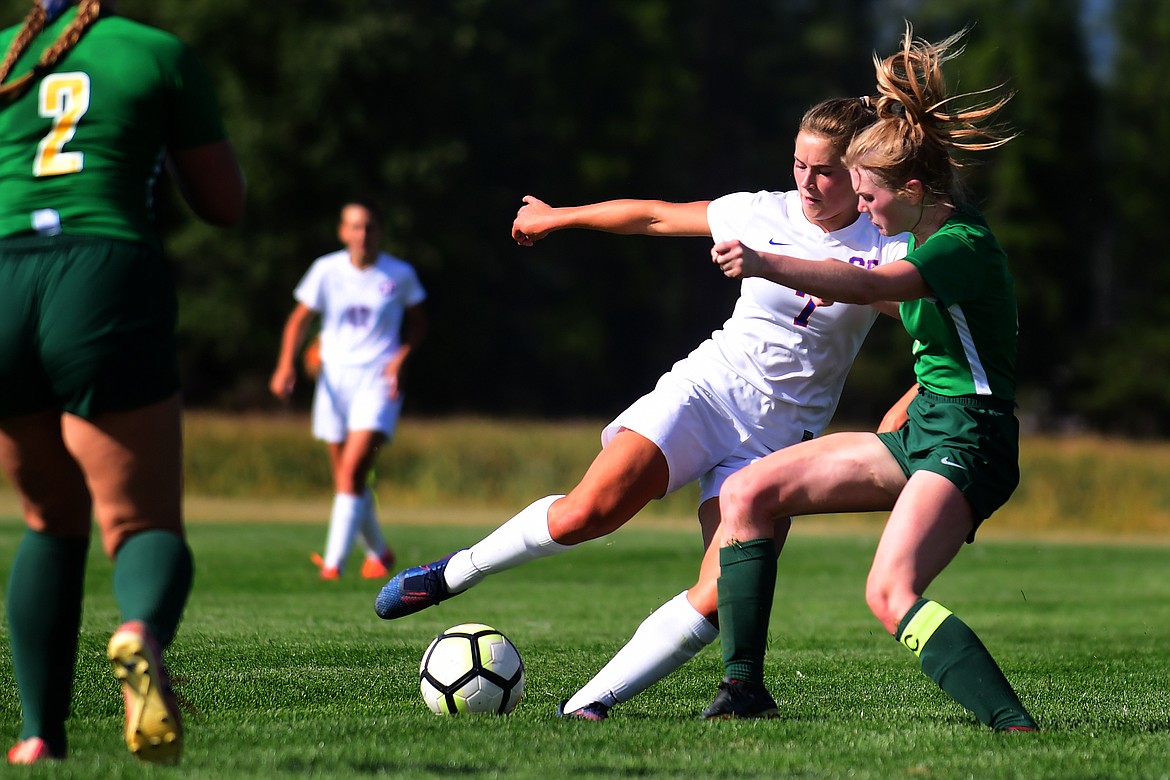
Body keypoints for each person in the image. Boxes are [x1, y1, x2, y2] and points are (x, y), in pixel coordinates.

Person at [375, 97, 910, 720]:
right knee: (586, 514)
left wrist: (901, 405)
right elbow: (655, 217)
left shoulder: (888, 247)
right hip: (706, 393)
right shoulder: (759, 212)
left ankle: (588, 706)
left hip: (780, 441)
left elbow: (943, 339)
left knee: (719, 594)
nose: (807, 183)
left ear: (859, 175)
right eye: (798, 165)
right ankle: (452, 573)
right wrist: (558, 217)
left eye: (824, 171)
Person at [702, 24, 1038, 732]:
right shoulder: (917, 226)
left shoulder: (959, 244)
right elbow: (952, 335)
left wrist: (767, 262)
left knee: (889, 591)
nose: (863, 208)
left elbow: (873, 286)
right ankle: (744, 691)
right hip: (928, 428)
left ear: (913, 188)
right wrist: (914, 395)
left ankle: (1014, 726)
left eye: (870, 195)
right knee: (749, 491)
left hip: (970, 441)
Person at [0, 0, 245, 765]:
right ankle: (138, 630)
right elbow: (223, 204)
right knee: (139, 523)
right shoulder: (153, 52)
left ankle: (39, 735)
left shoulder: (5, 52)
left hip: (3, 277)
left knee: (48, 518)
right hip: (100, 273)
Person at [270, 201, 427, 580]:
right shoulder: (326, 270)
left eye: (370, 227)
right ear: (343, 232)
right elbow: (298, 321)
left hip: (377, 381)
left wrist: (402, 356)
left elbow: (420, 324)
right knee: (347, 478)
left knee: (353, 471)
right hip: (332, 382)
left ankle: (332, 564)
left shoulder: (399, 273)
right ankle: (380, 552)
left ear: (380, 231)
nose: (363, 234)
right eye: (355, 227)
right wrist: (286, 364)